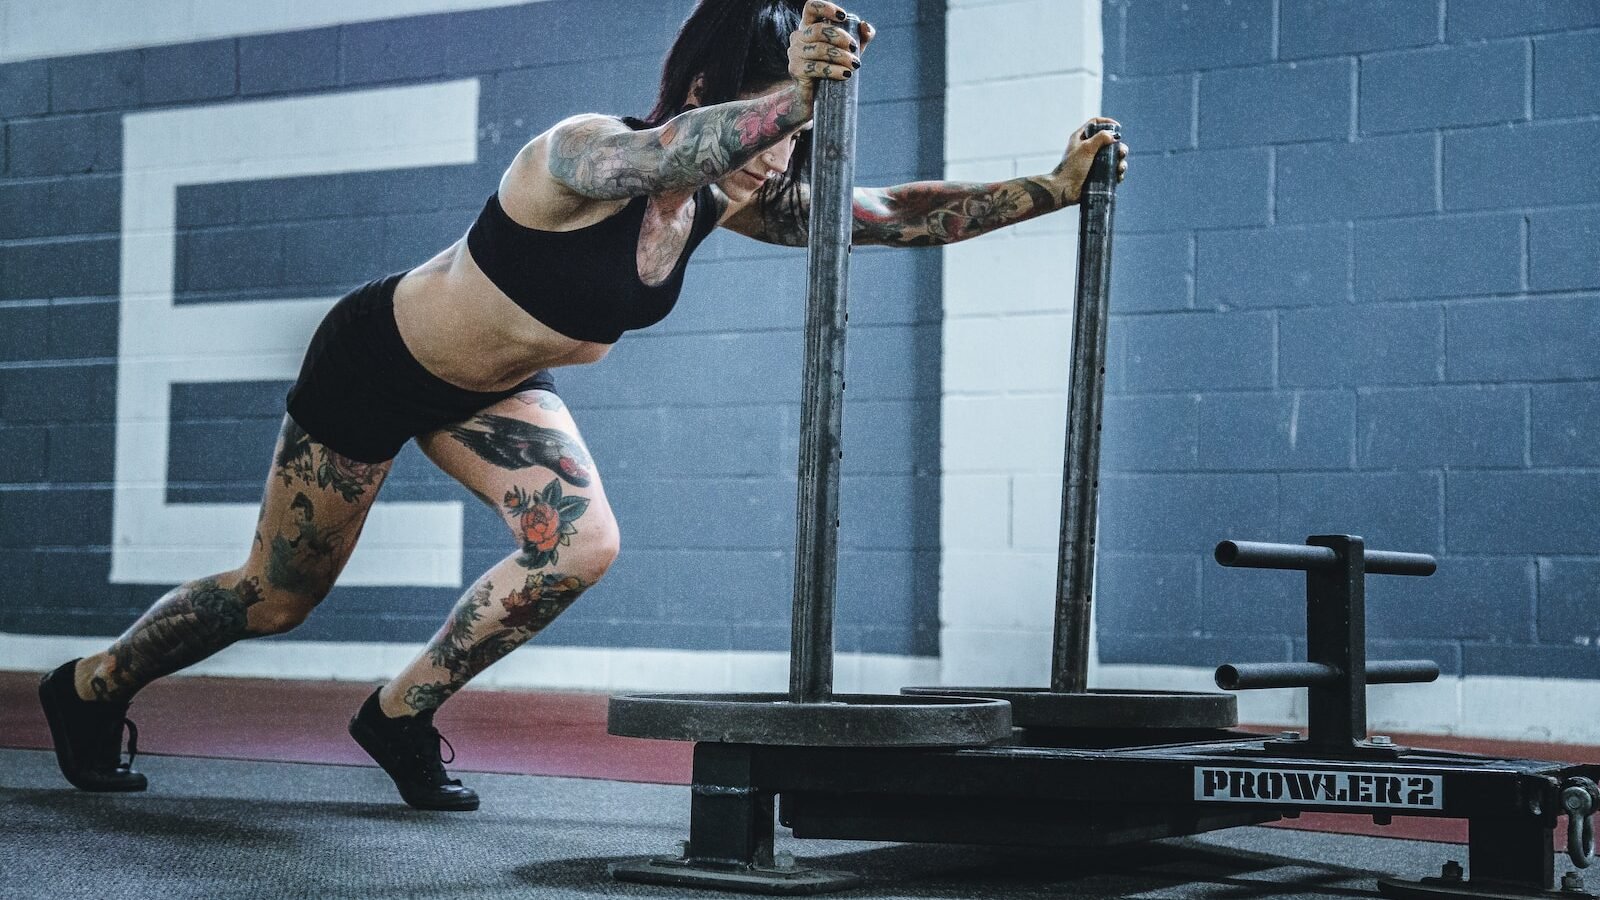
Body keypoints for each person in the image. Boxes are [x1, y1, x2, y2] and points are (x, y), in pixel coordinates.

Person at [38, 0, 1129, 810]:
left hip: (493, 387)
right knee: (276, 600)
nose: (783, 161)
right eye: (774, 129)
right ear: (708, 96)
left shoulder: (729, 195)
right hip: (376, 361)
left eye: (796, 141)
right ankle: (89, 687)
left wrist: (1049, 188)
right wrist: (794, 95)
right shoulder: (579, 154)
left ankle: (398, 715)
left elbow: (885, 211)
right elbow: (662, 151)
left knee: (579, 546)